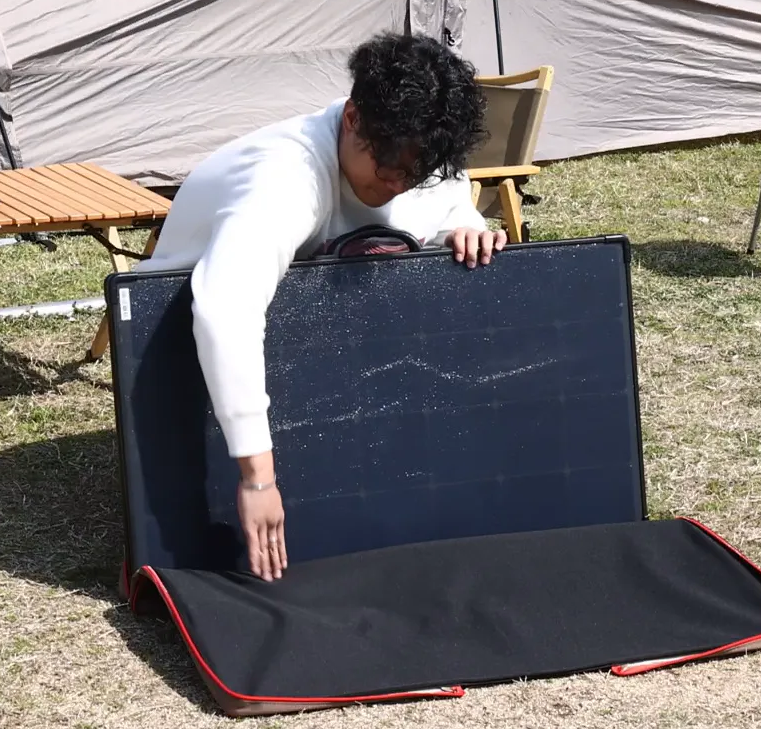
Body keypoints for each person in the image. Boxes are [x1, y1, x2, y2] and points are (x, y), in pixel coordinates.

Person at [137, 31, 506, 582]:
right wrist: (257, 478)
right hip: (176, 339)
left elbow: (447, 197)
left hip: (303, 335)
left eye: (415, 171)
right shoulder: (283, 179)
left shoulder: (419, 153)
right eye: (387, 164)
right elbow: (225, 312)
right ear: (353, 118)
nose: (397, 183)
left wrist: (465, 226)